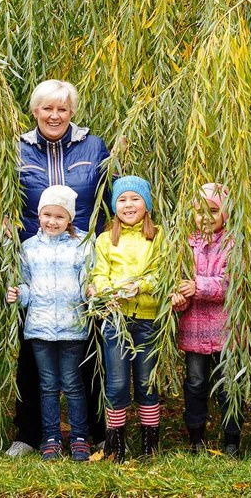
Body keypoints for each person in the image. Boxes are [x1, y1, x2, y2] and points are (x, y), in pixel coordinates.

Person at [10, 79, 111, 457]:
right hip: (35, 258)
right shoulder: (17, 149)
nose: (55, 115)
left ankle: (96, 431)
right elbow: (6, 199)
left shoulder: (93, 146)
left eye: (62, 109)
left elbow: (108, 198)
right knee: (32, 350)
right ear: (35, 110)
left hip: (83, 261)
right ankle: (30, 433)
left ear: (72, 112)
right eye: (47, 108)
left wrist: (104, 250)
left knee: (88, 351)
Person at [7, 185, 92, 461]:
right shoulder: (29, 248)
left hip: (72, 328)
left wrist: (90, 293)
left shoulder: (82, 244)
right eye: (47, 215)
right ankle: (51, 437)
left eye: (59, 216)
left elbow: (87, 281)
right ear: (39, 215)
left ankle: (79, 437)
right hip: (40, 328)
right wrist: (18, 294)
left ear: (69, 218)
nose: (52, 221)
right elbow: (26, 284)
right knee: (47, 385)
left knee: (73, 384)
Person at [88, 176, 164, 462]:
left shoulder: (158, 237)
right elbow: (99, 275)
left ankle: (149, 446)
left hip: (147, 319)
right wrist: (109, 292)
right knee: (117, 384)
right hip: (116, 320)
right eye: (122, 199)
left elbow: (160, 273)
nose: (128, 205)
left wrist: (140, 286)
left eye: (135, 198)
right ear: (114, 205)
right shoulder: (105, 239)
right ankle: (116, 445)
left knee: (146, 382)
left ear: (147, 204)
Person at [172, 183, 242, 456]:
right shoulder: (185, 245)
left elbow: (232, 284)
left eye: (213, 210)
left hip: (227, 330)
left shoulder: (234, 245)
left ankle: (232, 439)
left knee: (229, 385)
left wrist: (197, 286)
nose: (206, 217)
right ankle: (196, 438)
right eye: (200, 211)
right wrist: (179, 298)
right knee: (195, 383)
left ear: (225, 213)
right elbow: (178, 282)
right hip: (194, 330)